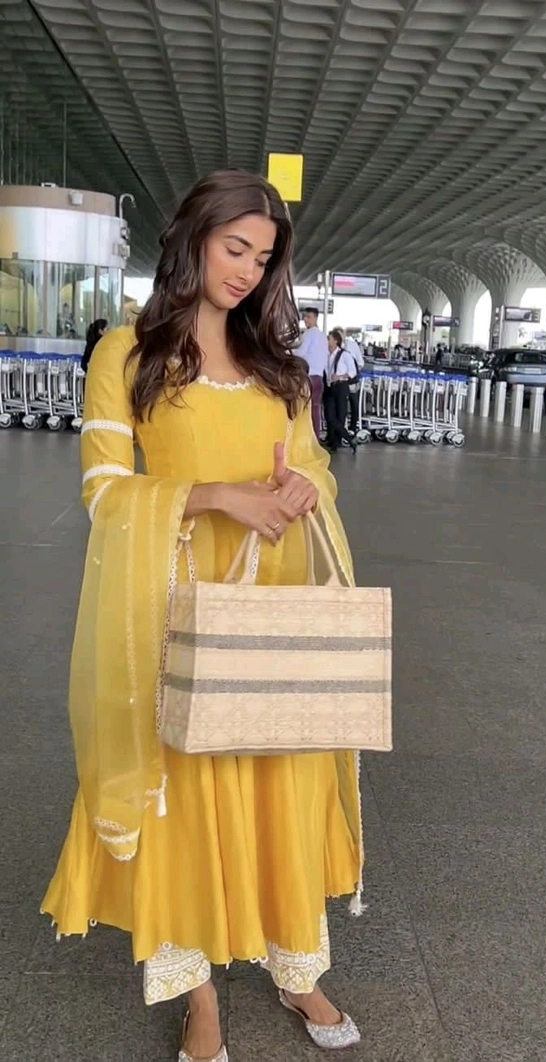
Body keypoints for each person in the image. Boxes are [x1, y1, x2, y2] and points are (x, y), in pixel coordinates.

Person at [41, 170, 363, 1062]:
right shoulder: (128, 353)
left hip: (273, 605)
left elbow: (315, 465)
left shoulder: (277, 364)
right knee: (184, 795)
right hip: (176, 608)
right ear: (193, 239)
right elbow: (106, 491)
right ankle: (198, 996)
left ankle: (296, 969)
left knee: (282, 779)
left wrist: (303, 487)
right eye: (235, 248)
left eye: (263, 259)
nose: (248, 271)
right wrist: (219, 495)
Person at [296, 306, 328, 438]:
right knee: (316, 408)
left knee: (303, 409)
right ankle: (316, 437)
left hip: (307, 377)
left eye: (308, 317)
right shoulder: (323, 337)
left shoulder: (308, 334)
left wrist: (286, 351)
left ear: (315, 318)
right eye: (304, 317)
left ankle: (305, 439)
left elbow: (300, 353)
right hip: (319, 377)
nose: (305, 319)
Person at [324, 328, 357, 454]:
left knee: (340, 416)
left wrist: (340, 376)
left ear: (335, 341)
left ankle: (335, 443)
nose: (327, 341)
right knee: (330, 416)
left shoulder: (345, 355)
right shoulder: (327, 355)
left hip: (341, 387)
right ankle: (348, 439)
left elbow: (353, 372)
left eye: (329, 339)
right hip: (331, 387)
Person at [342, 331, 364, 435]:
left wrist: (353, 372)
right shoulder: (334, 348)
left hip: (352, 381)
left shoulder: (351, 345)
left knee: (354, 403)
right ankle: (343, 427)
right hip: (341, 382)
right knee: (342, 405)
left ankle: (353, 427)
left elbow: (360, 362)